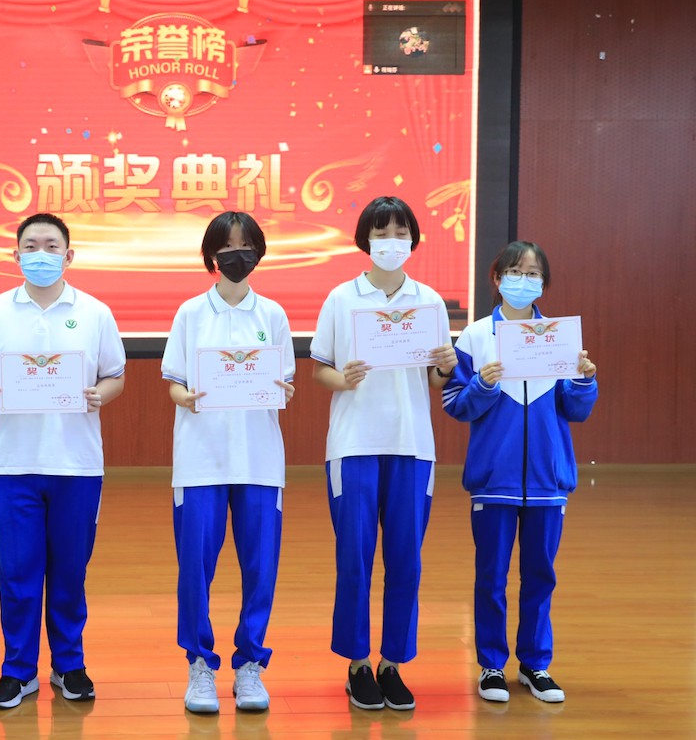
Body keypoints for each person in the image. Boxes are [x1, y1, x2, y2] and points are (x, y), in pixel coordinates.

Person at [0, 213, 126, 709]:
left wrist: (100, 394)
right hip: (13, 465)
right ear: (15, 255)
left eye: (51, 246)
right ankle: (18, 670)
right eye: (30, 246)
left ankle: (69, 665)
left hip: (77, 465)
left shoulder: (95, 312)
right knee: (17, 574)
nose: (41, 254)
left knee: (70, 572)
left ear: (68, 255)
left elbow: (115, 375)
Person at [309, 195, 456, 711]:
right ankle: (357, 664)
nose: (391, 242)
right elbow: (320, 370)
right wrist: (343, 378)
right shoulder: (341, 298)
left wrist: (446, 364)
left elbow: (437, 378)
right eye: (381, 232)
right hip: (354, 444)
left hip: (412, 445)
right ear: (365, 240)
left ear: (413, 240)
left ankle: (392, 662)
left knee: (406, 560)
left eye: (400, 233)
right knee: (355, 558)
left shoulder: (429, 301)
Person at [442, 241, 598, 704]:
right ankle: (491, 665)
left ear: (543, 284)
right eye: (514, 271)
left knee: (540, 575)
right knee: (491, 576)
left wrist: (584, 379)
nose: (523, 280)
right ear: (497, 278)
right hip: (495, 480)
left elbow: (575, 410)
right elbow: (456, 404)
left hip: (549, 480)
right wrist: (482, 385)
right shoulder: (475, 336)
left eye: (532, 274)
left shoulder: (559, 337)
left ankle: (535, 664)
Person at [160, 212, 295, 715]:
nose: (237, 254)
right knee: (196, 568)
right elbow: (174, 383)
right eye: (227, 246)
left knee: (260, 566)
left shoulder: (273, 314)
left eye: (246, 245)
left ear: (258, 252)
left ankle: (250, 663)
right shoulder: (191, 312)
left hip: (259, 461)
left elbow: (282, 382)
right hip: (201, 460)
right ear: (211, 255)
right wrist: (186, 397)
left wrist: (282, 391)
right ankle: (199, 662)